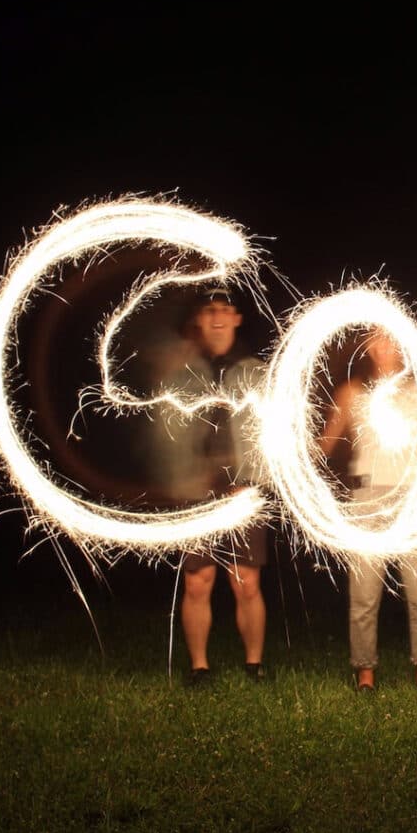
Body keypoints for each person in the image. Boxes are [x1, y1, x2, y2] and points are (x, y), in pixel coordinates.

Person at [154, 286, 269, 686]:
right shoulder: (184, 374)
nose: (217, 317)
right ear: (200, 320)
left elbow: (268, 434)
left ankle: (254, 665)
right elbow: (168, 434)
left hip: (243, 491)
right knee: (198, 580)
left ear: (237, 318)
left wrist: (253, 483)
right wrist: (183, 481)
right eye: (209, 310)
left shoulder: (255, 371)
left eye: (225, 309)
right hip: (196, 493)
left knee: (246, 582)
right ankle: (199, 667)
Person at [319, 329, 417, 692]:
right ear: (368, 348)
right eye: (377, 339)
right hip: (367, 500)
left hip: (413, 500)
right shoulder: (353, 394)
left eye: (392, 338)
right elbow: (325, 445)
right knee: (365, 593)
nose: (386, 345)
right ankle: (365, 671)